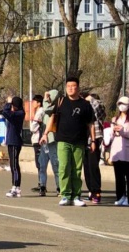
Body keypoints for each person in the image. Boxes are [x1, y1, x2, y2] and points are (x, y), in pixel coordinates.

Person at [40, 77, 95, 207]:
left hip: (79, 142)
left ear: (78, 88)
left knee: (76, 170)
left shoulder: (85, 105)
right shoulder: (61, 102)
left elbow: (91, 124)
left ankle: (76, 196)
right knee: (64, 167)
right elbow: (52, 118)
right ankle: (65, 195)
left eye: (73, 86)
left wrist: (93, 140)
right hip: (63, 141)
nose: (70, 88)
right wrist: (45, 134)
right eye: (68, 86)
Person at [107, 97, 129, 206]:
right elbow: (111, 135)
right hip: (117, 149)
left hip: (128, 150)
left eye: (124, 104)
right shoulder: (115, 119)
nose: (122, 106)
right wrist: (112, 131)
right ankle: (120, 196)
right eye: (120, 104)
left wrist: (123, 130)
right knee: (118, 176)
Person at [0, 96, 25, 197]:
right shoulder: (15, 113)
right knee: (12, 165)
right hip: (11, 141)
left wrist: (9, 103)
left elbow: (5, 112)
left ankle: (16, 187)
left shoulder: (19, 113)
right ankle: (14, 186)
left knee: (14, 165)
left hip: (15, 142)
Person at [83, 93, 106, 203]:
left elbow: (98, 106)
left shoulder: (98, 108)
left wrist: (90, 99)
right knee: (86, 167)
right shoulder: (85, 109)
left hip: (94, 139)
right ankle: (91, 191)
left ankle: (96, 192)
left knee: (93, 166)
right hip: (84, 139)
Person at [29, 94, 47, 195]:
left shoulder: (40, 112)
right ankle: (41, 183)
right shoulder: (41, 111)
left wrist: (33, 123)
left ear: (39, 103)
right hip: (39, 139)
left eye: (34, 102)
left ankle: (41, 184)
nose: (33, 104)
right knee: (40, 163)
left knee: (39, 163)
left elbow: (33, 127)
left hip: (38, 139)